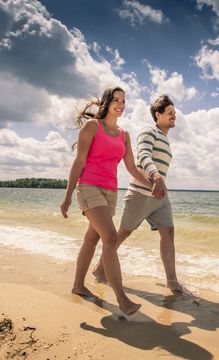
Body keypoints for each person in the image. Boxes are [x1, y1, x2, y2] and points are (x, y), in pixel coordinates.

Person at [60, 86, 150, 316]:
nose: (120, 104)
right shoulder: (92, 127)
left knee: (91, 239)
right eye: (116, 100)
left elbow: (131, 167)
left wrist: (151, 183)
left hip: (111, 192)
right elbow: (79, 161)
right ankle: (122, 299)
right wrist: (68, 195)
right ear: (107, 102)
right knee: (110, 237)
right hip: (89, 187)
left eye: (123, 101)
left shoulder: (124, 135)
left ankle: (78, 285)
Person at [93, 95, 185, 293]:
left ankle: (172, 281)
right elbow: (142, 156)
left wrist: (160, 182)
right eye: (170, 113)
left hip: (160, 195)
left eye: (174, 113)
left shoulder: (166, 140)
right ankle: (100, 268)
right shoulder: (148, 131)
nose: (173, 116)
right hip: (140, 194)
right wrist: (155, 175)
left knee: (168, 232)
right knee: (123, 233)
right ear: (157, 115)